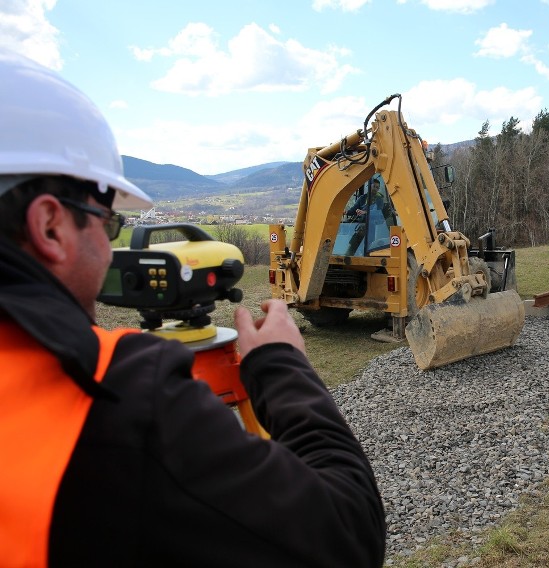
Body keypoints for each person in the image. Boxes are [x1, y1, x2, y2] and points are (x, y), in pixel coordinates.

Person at [0, 50, 385, 566]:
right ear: (50, 226)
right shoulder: (121, 395)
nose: (111, 245)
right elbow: (346, 533)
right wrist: (283, 368)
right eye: (108, 223)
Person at [344, 177, 394, 256]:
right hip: (359, 223)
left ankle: (355, 252)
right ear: (369, 186)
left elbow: (378, 212)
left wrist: (365, 212)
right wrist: (346, 212)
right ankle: (350, 251)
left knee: (362, 229)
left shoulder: (379, 199)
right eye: (374, 186)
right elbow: (354, 209)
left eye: (377, 187)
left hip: (371, 224)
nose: (375, 189)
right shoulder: (362, 198)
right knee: (346, 226)